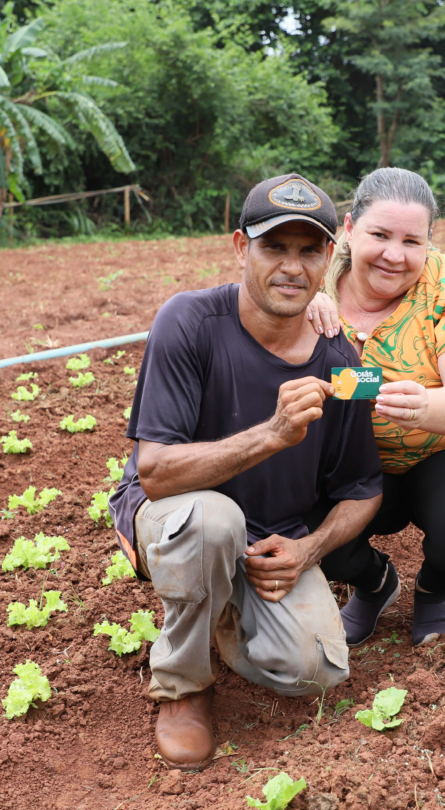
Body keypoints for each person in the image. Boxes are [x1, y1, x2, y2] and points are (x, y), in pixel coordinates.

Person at [107, 173, 383, 771]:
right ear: (240, 248)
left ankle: (218, 601)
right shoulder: (188, 321)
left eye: (308, 250)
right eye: (273, 247)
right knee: (212, 523)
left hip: (267, 537)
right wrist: (272, 435)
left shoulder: (343, 363)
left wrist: (310, 549)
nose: (292, 266)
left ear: (329, 258)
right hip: (176, 513)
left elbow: (364, 488)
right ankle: (183, 685)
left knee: (318, 669)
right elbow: (154, 471)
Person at [305, 167, 445, 648]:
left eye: (412, 241)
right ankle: (372, 583)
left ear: (430, 242)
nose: (394, 254)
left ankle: (433, 589)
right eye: (380, 235)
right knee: (286, 508)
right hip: (352, 459)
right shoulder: (307, 281)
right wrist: (298, 315)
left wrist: (424, 404)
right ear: (349, 228)